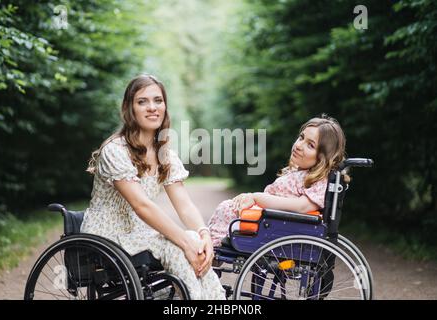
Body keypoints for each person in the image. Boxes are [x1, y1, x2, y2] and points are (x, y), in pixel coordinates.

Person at [81, 74, 225, 300]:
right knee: (181, 246)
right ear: (130, 108)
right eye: (142, 101)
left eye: (158, 100)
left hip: (141, 233)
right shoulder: (115, 150)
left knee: (194, 245)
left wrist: (203, 233)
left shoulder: (164, 153)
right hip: (109, 234)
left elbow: (185, 205)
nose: (152, 108)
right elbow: (142, 206)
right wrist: (185, 240)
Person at [208, 115, 347, 247]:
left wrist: (256, 197)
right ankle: (209, 246)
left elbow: (302, 207)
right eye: (301, 137)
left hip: (275, 226)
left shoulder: (321, 180)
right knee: (226, 208)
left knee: (226, 209)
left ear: (323, 157)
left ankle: (211, 249)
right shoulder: (301, 173)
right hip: (270, 221)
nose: (299, 145)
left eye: (310, 145)